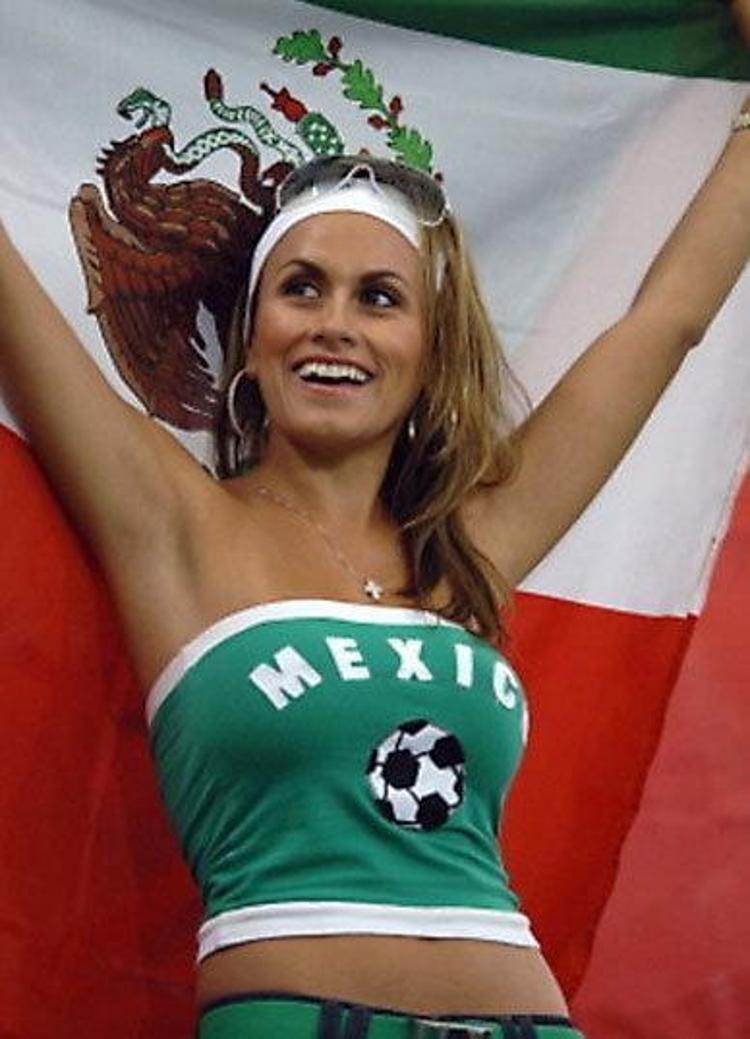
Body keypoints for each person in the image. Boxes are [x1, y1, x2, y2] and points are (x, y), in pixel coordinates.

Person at [1, 97, 749, 1039]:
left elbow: (667, 322)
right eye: (301, 288)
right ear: (250, 337)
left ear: (430, 356)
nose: (334, 324)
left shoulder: (473, 542)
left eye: (379, 298)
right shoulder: (172, 517)